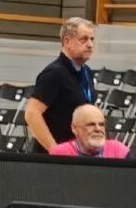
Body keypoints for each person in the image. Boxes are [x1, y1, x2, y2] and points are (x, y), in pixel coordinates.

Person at [24, 17, 97, 153]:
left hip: (78, 153)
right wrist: (56, 150)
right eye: (84, 39)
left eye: (92, 39)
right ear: (66, 41)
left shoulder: (87, 73)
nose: (90, 44)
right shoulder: (54, 73)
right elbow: (32, 113)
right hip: (52, 159)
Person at [49, 104, 129, 159]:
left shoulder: (118, 151)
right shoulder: (60, 153)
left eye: (101, 124)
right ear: (74, 128)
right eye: (91, 124)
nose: (98, 129)